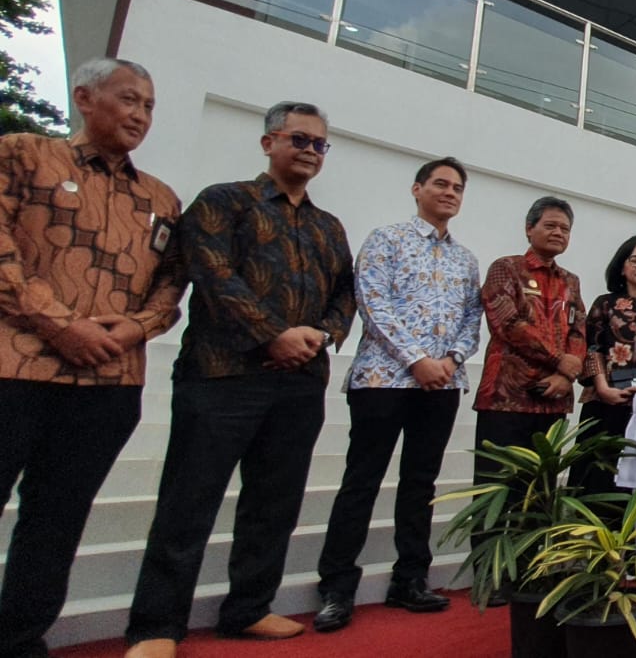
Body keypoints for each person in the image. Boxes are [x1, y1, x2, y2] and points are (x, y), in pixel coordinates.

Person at [127, 102, 355, 657]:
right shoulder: (223, 201)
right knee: (190, 500)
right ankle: (157, 626)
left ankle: (249, 608)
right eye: (298, 139)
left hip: (301, 382)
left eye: (319, 144)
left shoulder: (328, 226)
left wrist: (320, 336)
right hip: (222, 376)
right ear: (268, 142)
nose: (308, 150)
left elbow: (346, 295)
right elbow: (213, 276)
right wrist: (273, 334)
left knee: (274, 502)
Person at [0, 59, 184, 658]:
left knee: (57, 521)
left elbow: (171, 288)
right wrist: (62, 326)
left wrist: (134, 327)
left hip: (109, 383)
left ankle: (20, 639)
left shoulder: (160, 198)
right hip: (15, 370)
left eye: (149, 106)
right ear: (84, 97)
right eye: (128, 99)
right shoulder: (23, 154)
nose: (139, 115)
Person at [312, 158, 482, 633]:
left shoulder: (465, 259)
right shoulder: (386, 240)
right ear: (417, 189)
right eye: (441, 184)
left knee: (420, 485)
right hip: (383, 380)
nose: (450, 193)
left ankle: (410, 579)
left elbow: (473, 320)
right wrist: (416, 360)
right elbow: (372, 303)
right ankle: (337, 588)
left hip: (442, 385)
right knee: (361, 481)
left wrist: (449, 359)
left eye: (457, 188)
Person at [472, 196, 585, 601]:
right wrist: (560, 361)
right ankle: (490, 577)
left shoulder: (571, 281)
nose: (558, 233)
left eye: (565, 229)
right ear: (529, 228)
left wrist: (564, 373)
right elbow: (508, 324)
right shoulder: (506, 268)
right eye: (551, 226)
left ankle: (532, 571)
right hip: (506, 397)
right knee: (494, 491)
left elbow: (579, 331)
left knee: (539, 492)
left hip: (552, 400)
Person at [571, 235, 636, 498]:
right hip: (604, 400)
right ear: (622, 265)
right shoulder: (604, 304)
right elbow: (592, 347)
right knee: (596, 475)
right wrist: (602, 387)